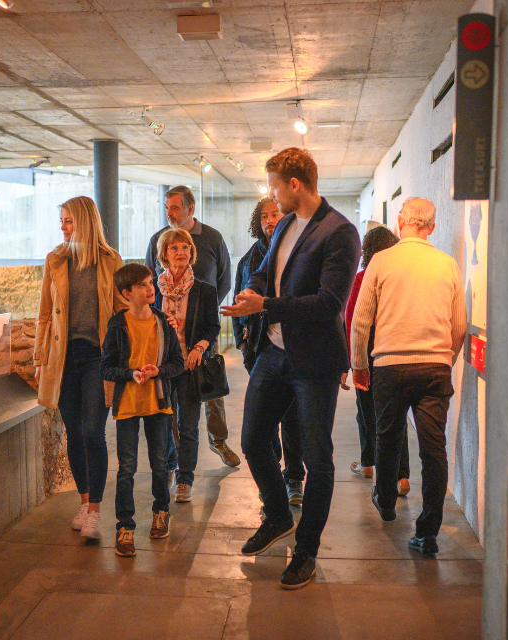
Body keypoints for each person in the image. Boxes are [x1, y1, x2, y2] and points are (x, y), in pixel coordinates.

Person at [222, 147, 361, 589]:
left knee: (318, 460)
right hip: (274, 352)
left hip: (315, 362)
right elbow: (262, 272)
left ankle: (306, 551)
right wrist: (251, 293)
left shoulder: (340, 232)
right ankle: (279, 515)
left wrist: (267, 304)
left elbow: (329, 304)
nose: (271, 194)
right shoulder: (283, 223)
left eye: (274, 186)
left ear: (294, 185)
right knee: (252, 440)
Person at [350, 197, 466, 556]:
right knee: (434, 451)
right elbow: (459, 325)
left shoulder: (382, 261)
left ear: (401, 222)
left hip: (389, 367)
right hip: (434, 368)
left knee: (388, 437)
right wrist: (446, 359)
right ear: (431, 227)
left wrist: (359, 365)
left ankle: (385, 502)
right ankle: (427, 533)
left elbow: (360, 321)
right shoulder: (447, 265)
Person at [33, 196, 127, 541]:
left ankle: (97, 510)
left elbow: (121, 314)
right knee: (74, 432)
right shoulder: (55, 260)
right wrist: (40, 360)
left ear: (85, 222)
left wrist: (121, 359)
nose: (63, 227)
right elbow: (44, 314)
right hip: (64, 358)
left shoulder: (110, 261)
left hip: (97, 358)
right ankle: (85, 503)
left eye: (69, 221)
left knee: (92, 432)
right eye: (61, 220)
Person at [145, 186, 240, 469]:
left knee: (211, 391)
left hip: (202, 329)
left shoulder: (212, 237)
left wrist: (205, 306)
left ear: (190, 208)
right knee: (176, 405)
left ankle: (218, 441)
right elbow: (151, 280)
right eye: (167, 208)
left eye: (174, 207)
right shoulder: (158, 240)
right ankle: (178, 460)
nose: (169, 213)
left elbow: (224, 278)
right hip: (170, 340)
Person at [100, 264, 185, 557]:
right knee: (127, 469)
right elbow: (106, 367)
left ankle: (161, 512)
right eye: (142, 285)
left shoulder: (162, 322)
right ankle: (125, 527)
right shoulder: (117, 324)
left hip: (158, 405)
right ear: (126, 294)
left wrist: (158, 370)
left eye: (150, 282)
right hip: (127, 406)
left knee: (160, 464)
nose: (150, 288)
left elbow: (178, 363)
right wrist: (130, 374)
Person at [234, 197, 306, 506]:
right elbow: (239, 295)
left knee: (291, 417)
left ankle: (293, 478)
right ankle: (273, 476)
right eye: (264, 216)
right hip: (259, 348)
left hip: (290, 349)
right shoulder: (250, 259)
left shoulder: (297, 251)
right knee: (263, 421)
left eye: (274, 213)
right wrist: (240, 340)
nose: (269, 220)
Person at [153, 228, 221, 503]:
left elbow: (212, 327)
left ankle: (185, 478)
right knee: (164, 422)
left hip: (190, 367)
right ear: (164, 254)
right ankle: (170, 465)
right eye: (174, 248)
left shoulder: (205, 290)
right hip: (162, 366)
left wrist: (198, 348)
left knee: (188, 425)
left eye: (185, 247)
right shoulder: (154, 290)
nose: (181, 252)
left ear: (192, 252)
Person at [344, 226, 411, 496]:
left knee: (367, 411)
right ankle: (402, 476)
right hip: (395, 344)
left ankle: (369, 464)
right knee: (397, 414)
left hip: (369, 345)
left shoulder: (362, 277)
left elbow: (352, 321)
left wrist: (352, 362)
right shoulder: (403, 278)